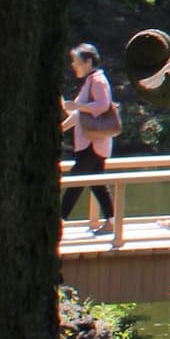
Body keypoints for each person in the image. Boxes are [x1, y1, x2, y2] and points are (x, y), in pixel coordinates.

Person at [60, 43, 118, 231]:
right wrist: (62, 127)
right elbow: (79, 115)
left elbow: (101, 106)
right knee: (97, 183)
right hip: (91, 143)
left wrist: (76, 106)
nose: (73, 65)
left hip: (92, 144)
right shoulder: (90, 81)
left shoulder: (97, 80)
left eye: (76, 62)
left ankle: (58, 221)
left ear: (88, 62)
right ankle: (111, 222)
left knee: (75, 182)